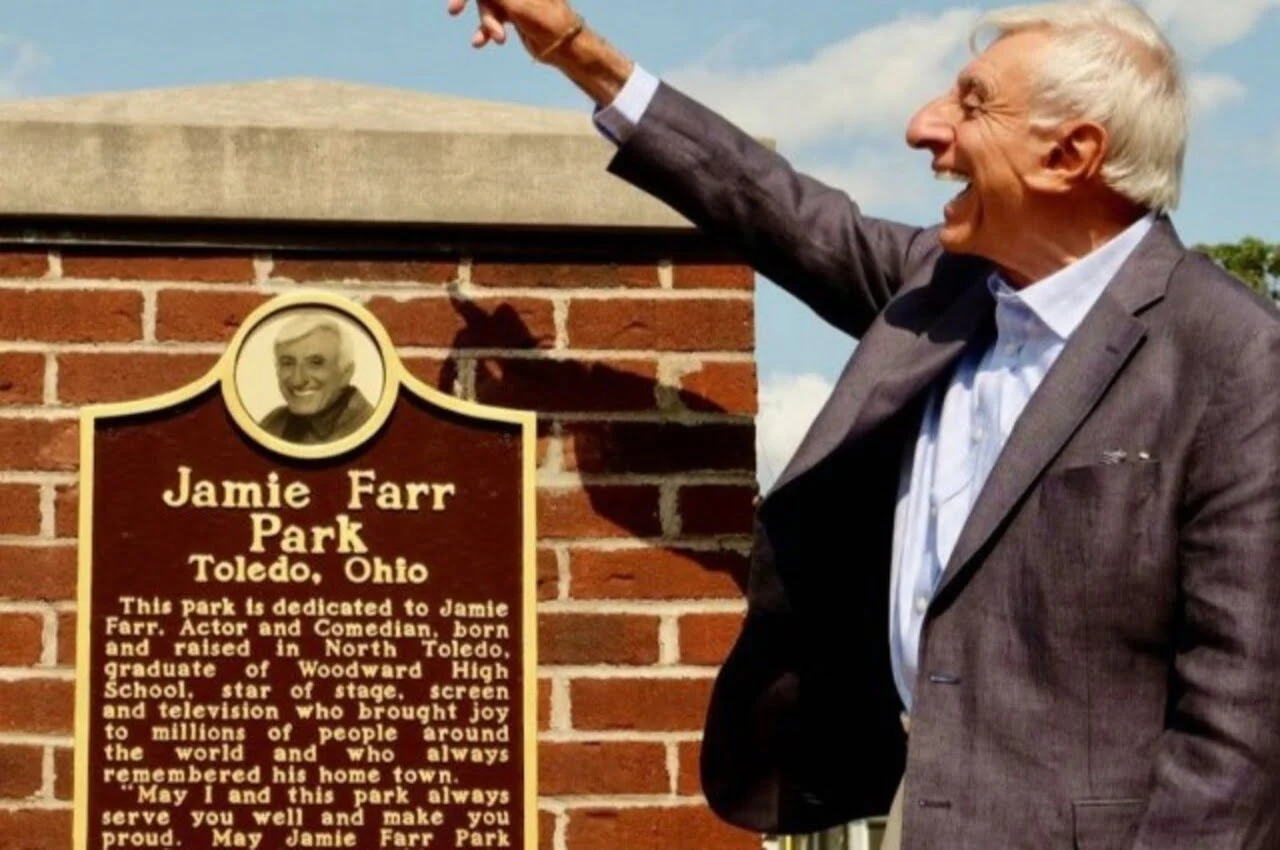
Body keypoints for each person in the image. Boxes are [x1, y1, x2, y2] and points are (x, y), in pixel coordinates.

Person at [445, 0, 1280, 846]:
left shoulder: (1233, 359)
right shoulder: (941, 291)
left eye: (973, 102)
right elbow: (771, 205)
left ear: (1072, 155)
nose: (925, 128)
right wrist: (576, 50)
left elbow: (1242, 722)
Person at [258, 311, 375, 444]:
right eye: (287, 363)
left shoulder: (369, 429)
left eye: (315, 363)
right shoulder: (272, 424)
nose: (298, 380)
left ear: (346, 374)